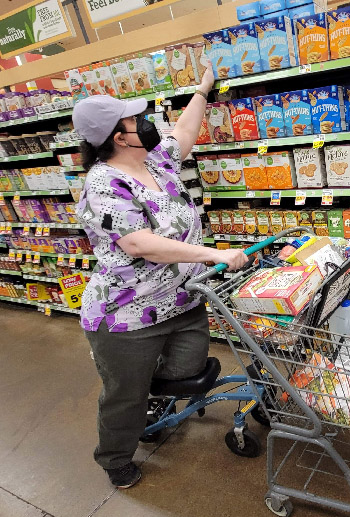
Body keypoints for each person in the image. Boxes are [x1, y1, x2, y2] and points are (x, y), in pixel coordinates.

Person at [73, 62, 247, 489]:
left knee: (185, 369)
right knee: (124, 396)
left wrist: (204, 89)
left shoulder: (157, 161)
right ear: (118, 136)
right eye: (136, 119)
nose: (147, 124)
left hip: (183, 302)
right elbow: (138, 243)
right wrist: (212, 253)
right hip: (126, 315)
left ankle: (150, 398)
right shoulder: (104, 183)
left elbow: (184, 132)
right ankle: (114, 458)